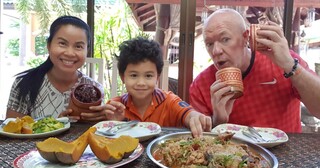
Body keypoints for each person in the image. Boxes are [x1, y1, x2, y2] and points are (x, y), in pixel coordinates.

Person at [189, 8, 320, 133]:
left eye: (225, 39)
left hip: (287, 152)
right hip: (235, 154)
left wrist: (290, 65)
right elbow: (200, 144)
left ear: (246, 37)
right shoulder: (202, 85)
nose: (216, 51)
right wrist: (218, 121)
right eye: (209, 44)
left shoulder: (282, 62)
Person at [104, 37, 212, 137]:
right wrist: (115, 123)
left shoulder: (169, 101)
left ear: (157, 78)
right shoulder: (116, 107)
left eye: (148, 76)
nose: (141, 82)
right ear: (123, 77)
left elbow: (187, 113)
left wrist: (194, 117)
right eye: (134, 75)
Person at [6, 15, 107, 121]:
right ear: (49, 45)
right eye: (62, 43)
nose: (70, 53)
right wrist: (56, 126)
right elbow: (12, 132)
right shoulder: (23, 84)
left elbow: (98, 132)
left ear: (87, 51)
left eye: (78, 46)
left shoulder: (94, 89)